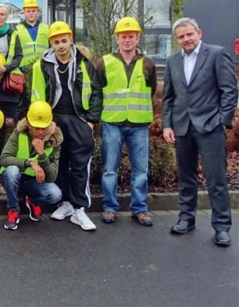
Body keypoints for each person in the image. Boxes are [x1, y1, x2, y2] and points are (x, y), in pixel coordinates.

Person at [162, 17, 237, 247]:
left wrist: (221, 121)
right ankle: (186, 218)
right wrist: (167, 125)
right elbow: (168, 97)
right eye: (181, 37)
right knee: (186, 178)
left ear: (199, 33)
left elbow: (229, 90)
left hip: (209, 128)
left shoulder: (216, 54)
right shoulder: (173, 60)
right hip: (182, 128)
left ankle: (222, 227)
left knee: (216, 180)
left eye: (189, 34)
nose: (186, 39)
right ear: (177, 40)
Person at [31, 21, 102, 231]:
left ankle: (79, 209)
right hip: (55, 121)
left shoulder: (84, 63)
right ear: (51, 43)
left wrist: (90, 121)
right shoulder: (41, 65)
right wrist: (42, 125)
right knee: (59, 163)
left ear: (71, 40)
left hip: (79, 120)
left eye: (64, 40)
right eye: (56, 41)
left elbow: (96, 93)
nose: (61, 45)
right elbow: (37, 96)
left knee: (80, 166)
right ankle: (65, 204)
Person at [99, 17, 157, 226]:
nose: (127, 40)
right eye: (123, 36)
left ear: (137, 37)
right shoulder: (105, 62)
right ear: (117, 38)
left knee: (140, 171)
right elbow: (98, 91)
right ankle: (109, 207)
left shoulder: (148, 63)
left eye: (131, 36)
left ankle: (139, 209)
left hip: (139, 124)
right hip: (112, 123)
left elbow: (150, 91)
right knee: (109, 169)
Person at [0, 101, 62, 230]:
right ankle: (13, 210)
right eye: (36, 128)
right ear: (29, 124)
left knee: (55, 195)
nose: (40, 132)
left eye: (43, 128)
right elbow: (4, 159)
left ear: (50, 125)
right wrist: (30, 163)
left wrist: (42, 154)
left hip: (34, 182)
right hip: (15, 178)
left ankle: (33, 201)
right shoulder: (19, 132)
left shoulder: (55, 140)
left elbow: (52, 177)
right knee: (11, 171)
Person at [0, 3, 23, 169]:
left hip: (8, 85)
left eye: (2, 14)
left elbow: (18, 56)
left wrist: (6, 68)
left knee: (10, 121)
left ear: (7, 16)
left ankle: (9, 155)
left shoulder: (13, 34)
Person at [16, 0, 50, 118]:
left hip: (43, 68)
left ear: (37, 12)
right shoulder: (17, 30)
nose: (31, 13)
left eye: (33, 11)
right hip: (24, 70)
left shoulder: (46, 28)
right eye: (28, 11)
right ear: (24, 13)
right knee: (24, 100)